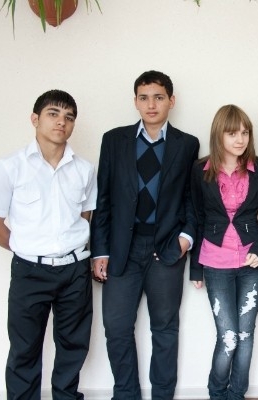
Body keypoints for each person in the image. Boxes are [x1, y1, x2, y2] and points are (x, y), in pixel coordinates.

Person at [90, 70, 200, 400]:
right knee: (116, 327)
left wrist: (185, 239)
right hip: (122, 248)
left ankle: (162, 395)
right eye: (144, 98)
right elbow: (103, 198)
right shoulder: (114, 140)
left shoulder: (187, 144)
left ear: (171, 101)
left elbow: (192, 199)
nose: (151, 104)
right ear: (135, 102)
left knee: (164, 327)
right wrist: (100, 251)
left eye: (158, 97)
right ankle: (126, 394)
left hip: (166, 247)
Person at [0, 90, 96, 400]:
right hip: (30, 271)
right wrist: (27, 247)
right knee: (25, 349)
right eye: (53, 114)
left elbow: (85, 218)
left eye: (69, 117)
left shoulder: (84, 170)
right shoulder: (10, 167)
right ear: (35, 119)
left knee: (74, 346)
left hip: (75, 271)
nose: (61, 122)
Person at [190, 104, 258, 400]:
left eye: (245, 132)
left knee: (245, 334)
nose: (240, 139)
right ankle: (217, 394)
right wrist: (195, 268)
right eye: (232, 133)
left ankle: (237, 394)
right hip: (215, 262)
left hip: (252, 262)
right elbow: (197, 217)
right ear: (219, 135)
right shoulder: (200, 170)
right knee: (228, 337)